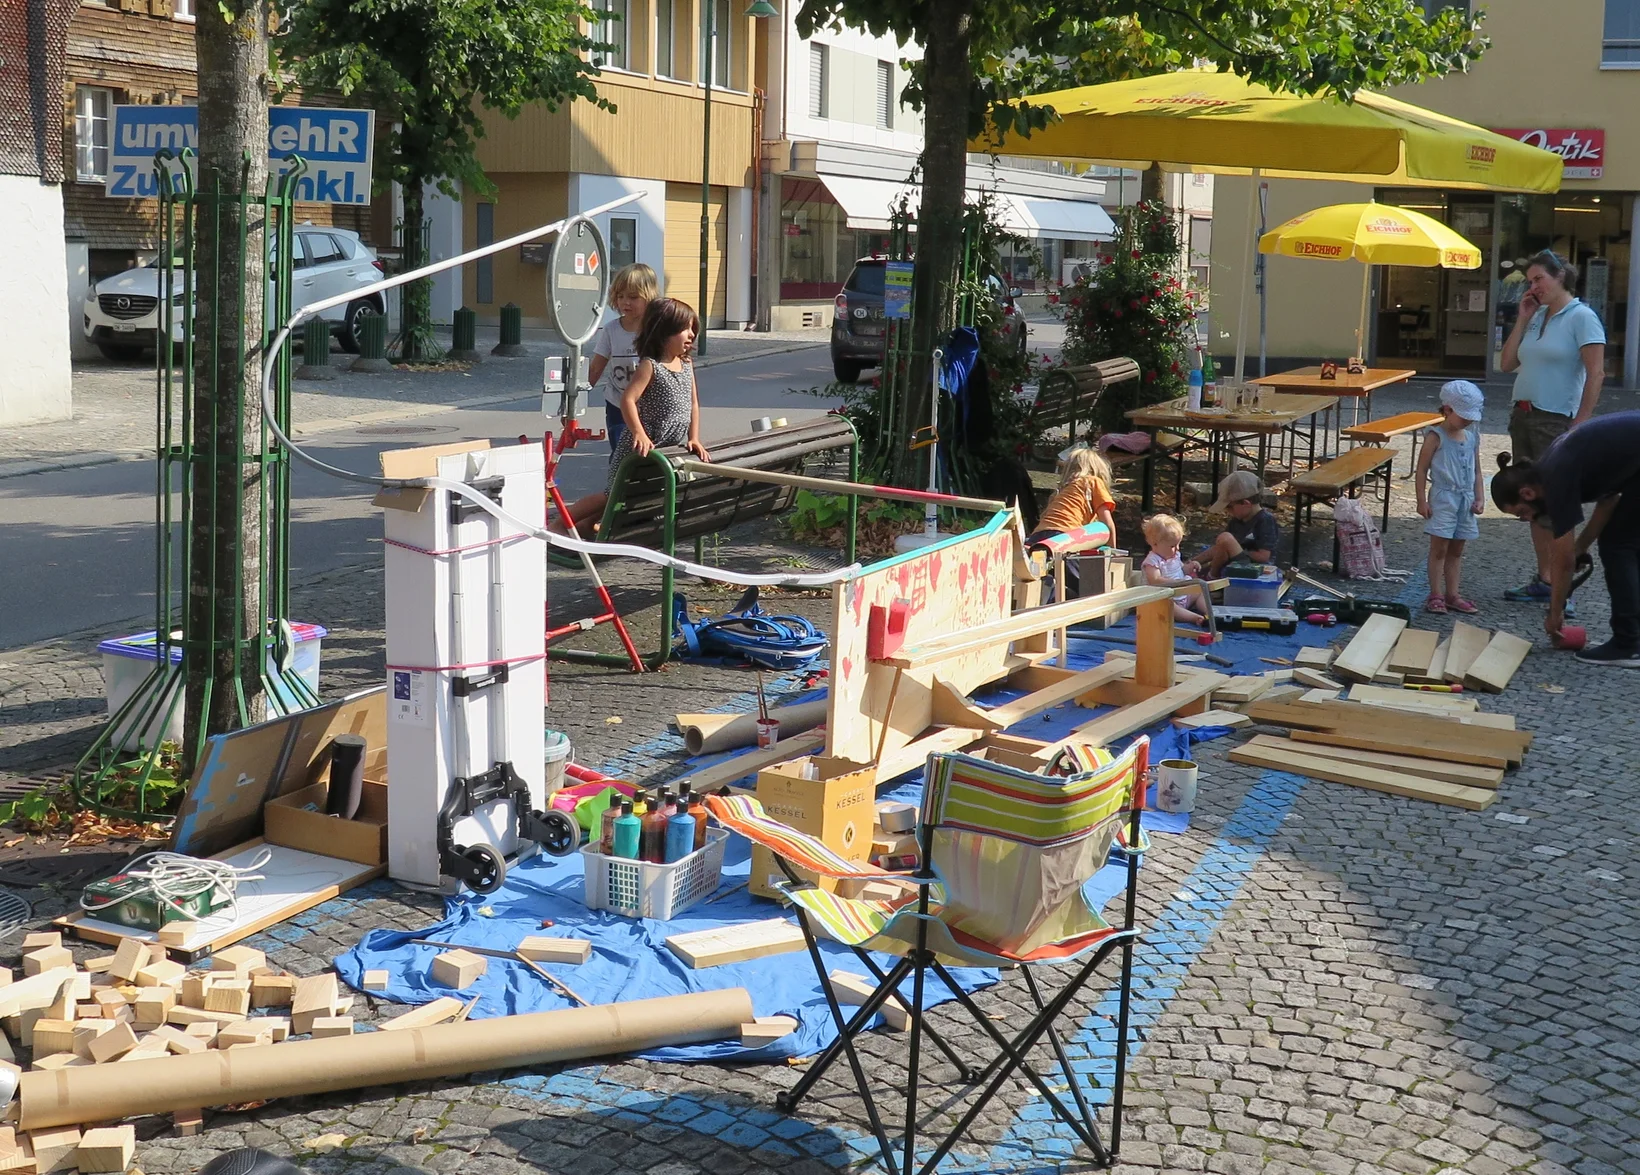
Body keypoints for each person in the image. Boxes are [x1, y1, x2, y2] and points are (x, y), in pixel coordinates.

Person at [1496, 249, 1606, 607]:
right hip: (1523, 416)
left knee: (1558, 507)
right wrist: (1522, 319)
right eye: (1530, 282)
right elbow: (1507, 362)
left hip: (1556, 419)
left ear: (1560, 276)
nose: (1534, 287)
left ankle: (1563, 587)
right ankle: (1544, 579)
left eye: (1539, 279)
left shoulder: (1582, 317)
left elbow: (1596, 373)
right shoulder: (1538, 314)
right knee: (1533, 505)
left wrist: (1581, 424)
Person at [1490, 410, 1640, 666]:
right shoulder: (1550, 468)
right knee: (1624, 545)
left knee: (1618, 547)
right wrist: (1582, 546)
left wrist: (1555, 612)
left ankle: (1629, 645)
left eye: (1522, 513)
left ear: (1527, 493)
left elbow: (1563, 561)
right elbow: (1609, 500)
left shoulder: (1555, 479)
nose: (1527, 520)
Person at [562, 298, 711, 535]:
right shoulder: (650, 366)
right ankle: (562, 523)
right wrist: (639, 432)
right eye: (685, 329)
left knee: (630, 495)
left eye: (693, 328)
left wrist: (694, 438)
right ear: (663, 332)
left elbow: (693, 402)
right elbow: (627, 399)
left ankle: (586, 527)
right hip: (640, 447)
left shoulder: (685, 363)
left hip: (666, 445)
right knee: (613, 494)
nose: (691, 334)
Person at [1415, 380, 1486, 615]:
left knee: (1457, 550)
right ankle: (1435, 593)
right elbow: (1422, 469)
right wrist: (1421, 501)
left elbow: (1476, 470)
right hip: (1444, 497)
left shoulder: (1472, 435)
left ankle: (1452, 594)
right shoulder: (1436, 436)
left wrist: (1479, 497)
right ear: (1447, 410)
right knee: (1439, 549)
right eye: (1463, 416)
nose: (1468, 421)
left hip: (1465, 500)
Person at [588, 264, 657, 454]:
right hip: (617, 405)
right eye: (620, 296)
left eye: (633, 297)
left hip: (649, 407)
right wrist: (575, 401)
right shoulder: (611, 330)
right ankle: (617, 483)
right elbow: (595, 369)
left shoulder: (656, 331)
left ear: (649, 296)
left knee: (648, 455)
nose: (625, 302)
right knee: (622, 454)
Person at [1026, 447, 1118, 550]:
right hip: (1064, 536)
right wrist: (1113, 552)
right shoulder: (1092, 481)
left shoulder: (1061, 491)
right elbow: (1106, 523)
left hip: (1038, 537)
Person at [1198, 470, 1279, 576]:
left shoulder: (1265, 520)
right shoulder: (1236, 520)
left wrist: (1233, 549)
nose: (1227, 511)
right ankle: (1205, 572)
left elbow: (1264, 556)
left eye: (1230, 507)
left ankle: (1212, 576)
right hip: (1236, 563)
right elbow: (1220, 548)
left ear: (1246, 504)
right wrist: (1192, 561)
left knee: (1226, 538)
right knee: (1222, 542)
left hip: (1258, 569)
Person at [1141, 513, 1208, 627]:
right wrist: (1177, 583)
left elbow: (1181, 570)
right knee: (1166, 605)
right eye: (1172, 546)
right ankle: (1194, 617)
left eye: (1178, 544)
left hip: (1183, 595)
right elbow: (1155, 580)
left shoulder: (1175, 556)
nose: (1177, 549)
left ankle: (1209, 612)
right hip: (1167, 598)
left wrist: (1191, 566)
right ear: (1154, 543)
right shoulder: (1152, 561)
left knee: (1200, 590)